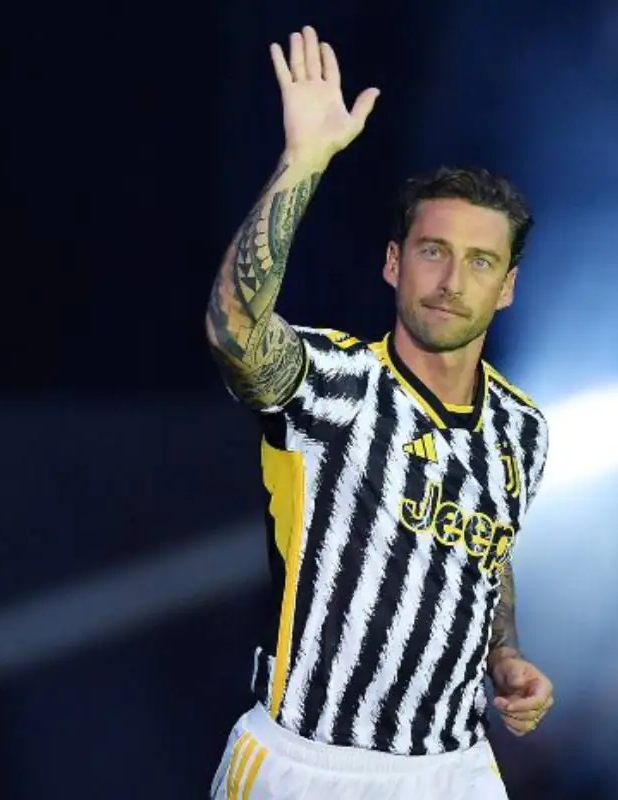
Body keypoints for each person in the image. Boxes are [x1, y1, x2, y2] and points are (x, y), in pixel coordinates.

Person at [205, 25, 553, 800]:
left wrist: (503, 656)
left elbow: (485, 550)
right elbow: (234, 331)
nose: (451, 280)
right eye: (433, 251)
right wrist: (304, 160)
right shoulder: (335, 383)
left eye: (480, 261)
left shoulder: (521, 430)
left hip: (455, 766)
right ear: (394, 263)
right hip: (309, 760)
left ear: (506, 288)